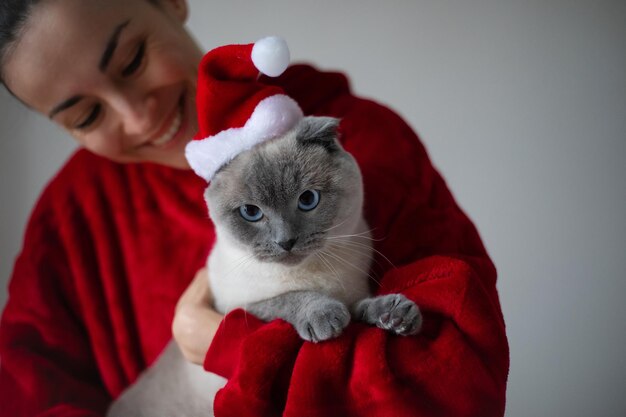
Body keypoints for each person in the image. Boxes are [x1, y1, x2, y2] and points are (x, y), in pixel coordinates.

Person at [0, 0, 509, 416]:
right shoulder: (70, 215)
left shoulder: (366, 145)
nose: (137, 117)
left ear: (170, 3)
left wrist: (235, 347)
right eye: (87, 115)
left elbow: (459, 385)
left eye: (132, 60)